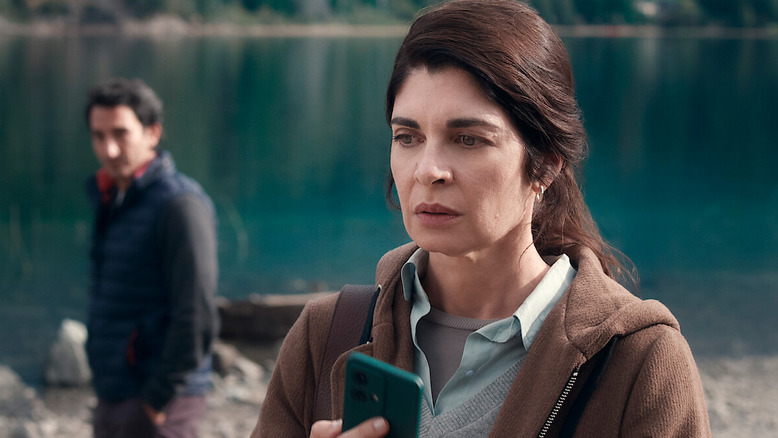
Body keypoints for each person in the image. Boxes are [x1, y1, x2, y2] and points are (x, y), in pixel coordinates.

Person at [253, 1, 711, 437]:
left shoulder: (638, 361)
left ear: (546, 164)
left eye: (468, 139)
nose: (428, 170)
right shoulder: (326, 334)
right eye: (408, 136)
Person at [84, 77, 219, 438]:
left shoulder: (180, 206)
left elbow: (198, 316)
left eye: (120, 134)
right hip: (115, 391)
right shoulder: (111, 197)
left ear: (152, 133)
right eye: (98, 136)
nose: (109, 149)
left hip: (162, 401)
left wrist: (156, 400)